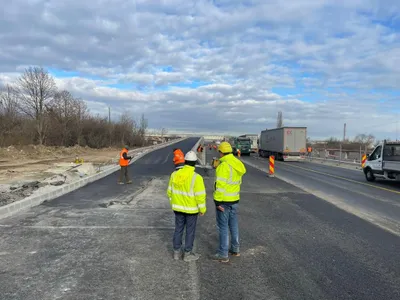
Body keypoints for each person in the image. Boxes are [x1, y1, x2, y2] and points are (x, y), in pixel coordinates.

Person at [167, 150, 207, 262]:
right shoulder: (196, 177)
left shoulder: (174, 174)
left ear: (185, 161)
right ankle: (187, 254)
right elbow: (200, 196)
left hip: (177, 209)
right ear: (195, 163)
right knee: (190, 231)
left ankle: (176, 253)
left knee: (178, 229)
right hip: (191, 210)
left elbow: (169, 192)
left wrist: (173, 203)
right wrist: (202, 209)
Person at [212, 141, 246, 263]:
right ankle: (235, 249)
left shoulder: (223, 166)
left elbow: (220, 186)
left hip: (224, 201)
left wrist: (217, 202)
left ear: (221, 152)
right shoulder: (237, 163)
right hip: (235, 199)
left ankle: (223, 254)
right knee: (233, 225)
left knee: (223, 227)